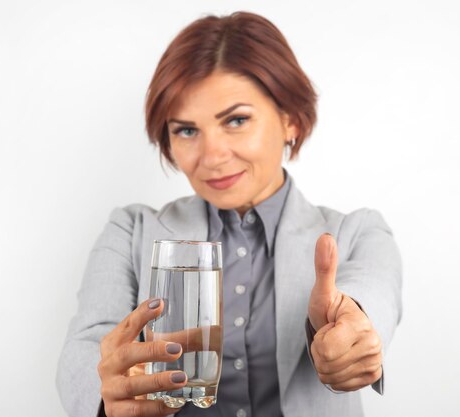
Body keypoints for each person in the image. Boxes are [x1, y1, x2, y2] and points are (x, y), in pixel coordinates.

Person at [56, 11, 402, 417]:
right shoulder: (131, 229)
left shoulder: (358, 232)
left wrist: (350, 341)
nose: (212, 156)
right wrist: (108, 395)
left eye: (236, 120)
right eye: (186, 130)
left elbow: (369, 303)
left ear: (290, 119)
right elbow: (85, 348)